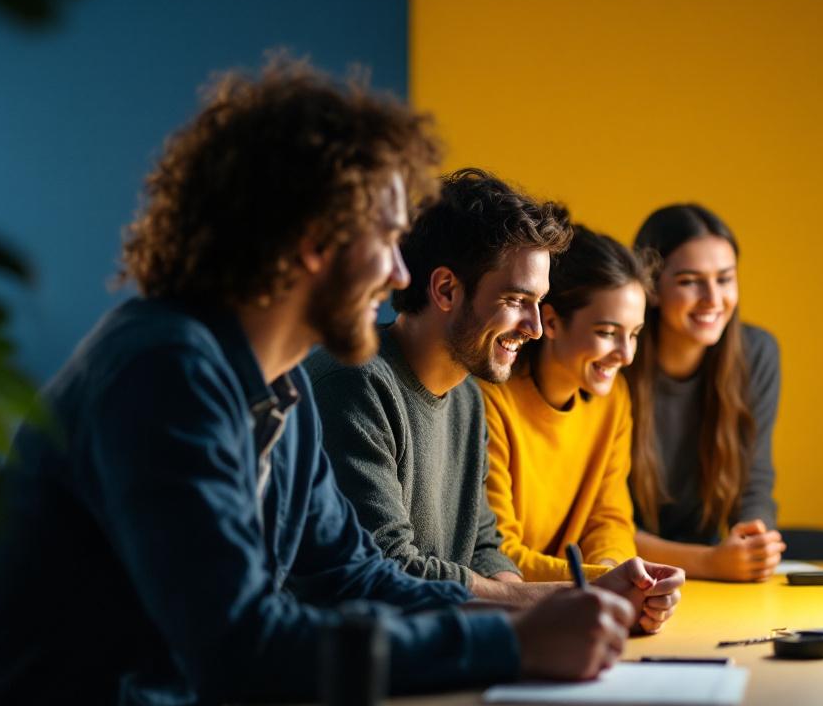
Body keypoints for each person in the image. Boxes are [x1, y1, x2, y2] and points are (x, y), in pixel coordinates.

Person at [0, 60, 633, 706]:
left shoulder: (280, 387)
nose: (399, 273)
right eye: (387, 241)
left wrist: (540, 612)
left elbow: (354, 577)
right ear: (312, 243)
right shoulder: (163, 369)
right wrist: (511, 640)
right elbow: (241, 643)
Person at [307, 170, 681, 631]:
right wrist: (578, 595)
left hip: (436, 658)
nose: (535, 328)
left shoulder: (467, 397)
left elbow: (485, 550)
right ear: (445, 290)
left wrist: (577, 605)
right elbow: (391, 572)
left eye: (538, 303)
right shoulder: (354, 384)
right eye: (516, 299)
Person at [480, 226, 654, 582]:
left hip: (570, 599)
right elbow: (496, 552)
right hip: (514, 604)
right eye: (607, 333)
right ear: (553, 322)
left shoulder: (614, 398)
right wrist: (600, 582)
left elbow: (610, 519)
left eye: (633, 334)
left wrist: (611, 569)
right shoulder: (490, 399)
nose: (626, 355)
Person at [626, 204, 785, 582]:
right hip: (625, 569)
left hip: (715, 572)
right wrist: (710, 562)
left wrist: (754, 543)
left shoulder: (757, 354)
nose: (713, 298)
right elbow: (597, 522)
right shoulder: (613, 359)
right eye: (689, 281)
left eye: (725, 279)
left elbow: (754, 480)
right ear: (652, 288)